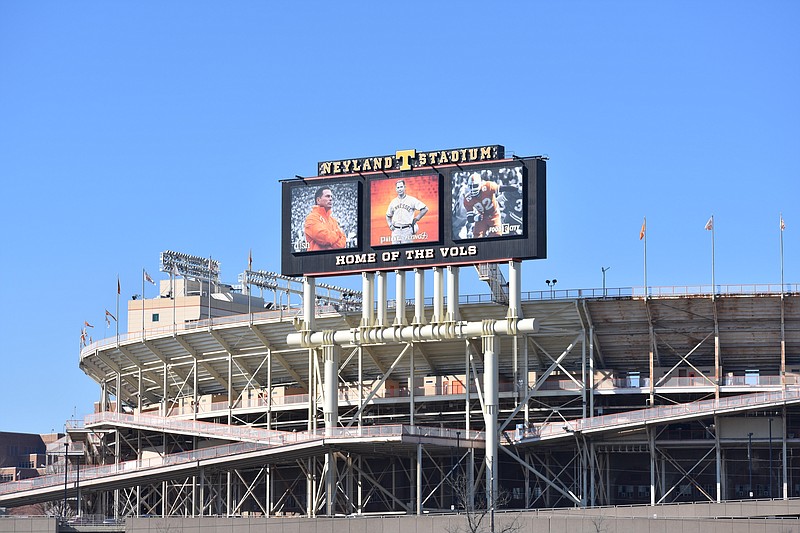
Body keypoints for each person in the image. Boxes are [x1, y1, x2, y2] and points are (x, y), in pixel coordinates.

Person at [385, 180, 429, 244]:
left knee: (407, 251)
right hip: (396, 231)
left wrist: (417, 218)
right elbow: (388, 215)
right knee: (395, 251)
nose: (400, 189)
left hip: (407, 230)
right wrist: (390, 225)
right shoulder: (393, 202)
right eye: (398, 187)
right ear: (396, 189)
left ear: (404, 187)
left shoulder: (411, 200)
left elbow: (425, 209)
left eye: (401, 187)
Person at [304, 187, 347, 251]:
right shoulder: (311, 218)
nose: (330, 199)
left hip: (334, 258)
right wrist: (338, 233)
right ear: (318, 200)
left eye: (331, 197)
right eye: (327, 196)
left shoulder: (333, 220)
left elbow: (343, 243)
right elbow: (325, 238)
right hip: (317, 259)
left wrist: (332, 239)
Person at [462, 172, 502, 238]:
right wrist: (475, 218)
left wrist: (517, 188)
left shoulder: (488, 186)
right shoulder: (468, 199)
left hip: (494, 215)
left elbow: (502, 188)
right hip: (482, 217)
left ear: (480, 184)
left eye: (475, 186)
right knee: (476, 237)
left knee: (496, 236)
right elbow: (469, 218)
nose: (472, 189)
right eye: (470, 186)